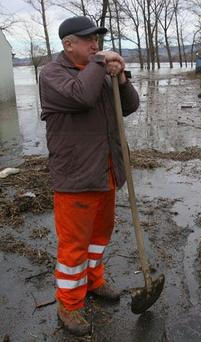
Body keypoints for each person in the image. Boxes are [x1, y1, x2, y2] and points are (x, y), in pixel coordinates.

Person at [39, 16, 139, 336]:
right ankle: (68, 305)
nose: (95, 44)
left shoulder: (99, 72)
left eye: (97, 38)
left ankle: (94, 282)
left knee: (98, 239)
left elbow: (130, 106)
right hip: (76, 178)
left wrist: (121, 78)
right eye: (88, 39)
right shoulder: (53, 74)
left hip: (105, 172)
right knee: (74, 248)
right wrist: (101, 63)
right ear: (68, 45)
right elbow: (81, 97)